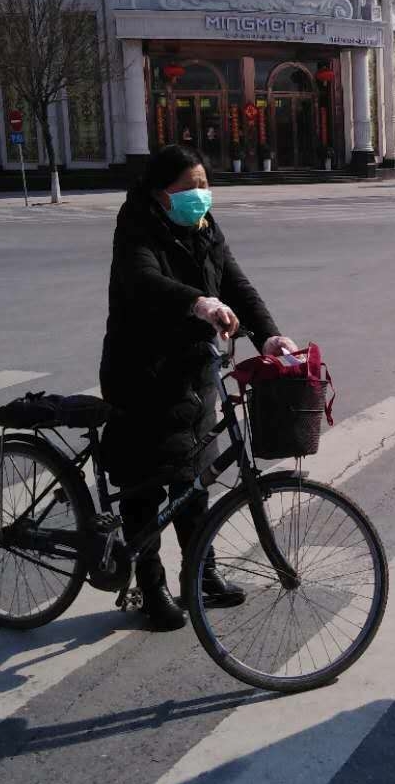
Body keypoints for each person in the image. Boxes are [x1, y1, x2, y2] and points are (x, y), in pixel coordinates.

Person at [99, 144, 298, 630]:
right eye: (189, 188)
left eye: (205, 185)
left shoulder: (205, 228)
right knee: (145, 486)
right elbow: (144, 280)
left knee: (195, 480)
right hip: (142, 375)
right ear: (160, 193)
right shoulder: (136, 226)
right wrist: (198, 303)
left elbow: (237, 284)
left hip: (193, 373)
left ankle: (201, 574)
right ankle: (151, 588)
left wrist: (269, 336)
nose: (201, 195)